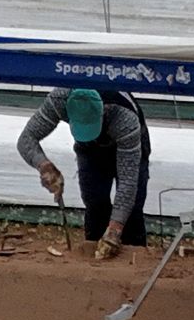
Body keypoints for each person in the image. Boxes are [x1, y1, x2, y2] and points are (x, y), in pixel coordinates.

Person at [16, 83, 150, 257]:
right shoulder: (59, 99)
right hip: (89, 149)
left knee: (132, 209)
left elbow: (127, 182)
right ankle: (93, 254)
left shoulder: (124, 116)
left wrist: (115, 229)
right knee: (95, 200)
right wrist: (44, 165)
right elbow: (26, 139)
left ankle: (134, 258)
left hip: (130, 141)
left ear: (103, 111)